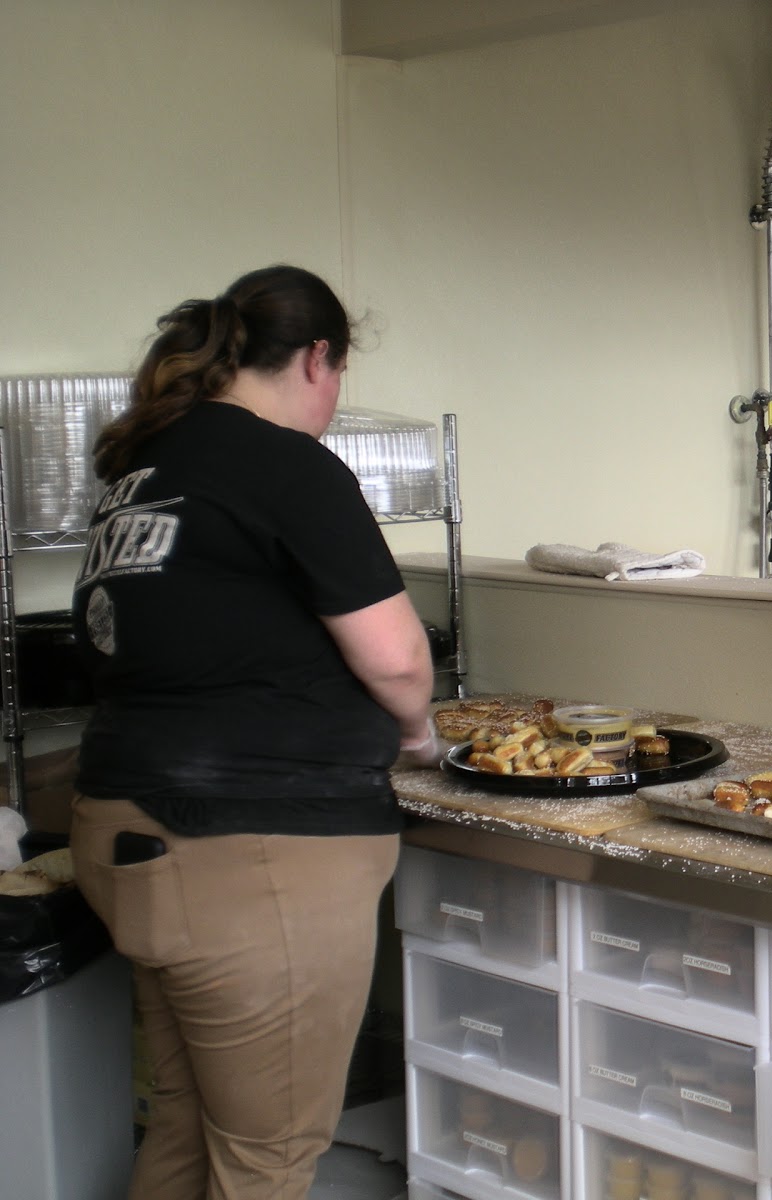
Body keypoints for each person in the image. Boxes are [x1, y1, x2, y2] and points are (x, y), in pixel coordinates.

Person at [67, 265, 445, 1200]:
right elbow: (396, 658)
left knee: (186, 1130)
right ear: (318, 356)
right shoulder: (282, 463)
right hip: (252, 848)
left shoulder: (145, 468)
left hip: (130, 830)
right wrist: (418, 737)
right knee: (267, 1160)